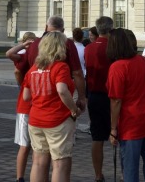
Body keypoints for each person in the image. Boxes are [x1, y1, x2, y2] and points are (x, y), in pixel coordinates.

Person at [106, 28, 145, 182]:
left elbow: (116, 100)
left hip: (131, 124)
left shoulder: (117, 67)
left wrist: (113, 129)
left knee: (130, 168)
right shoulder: (144, 61)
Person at [24, 31, 79, 182]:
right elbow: (62, 89)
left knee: (38, 162)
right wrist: (73, 109)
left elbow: (26, 96)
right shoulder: (60, 67)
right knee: (60, 163)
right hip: (57, 120)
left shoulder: (34, 68)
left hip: (36, 120)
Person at [20, 16, 87, 115]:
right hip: (58, 104)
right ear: (63, 30)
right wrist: (81, 98)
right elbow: (76, 74)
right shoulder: (66, 45)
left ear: (46, 27)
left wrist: (25, 85)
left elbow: (20, 71)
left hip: (37, 100)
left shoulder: (34, 44)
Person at [83, 16, 114, 182]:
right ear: (110, 29)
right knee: (118, 134)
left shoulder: (89, 48)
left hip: (94, 95)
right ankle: (124, 173)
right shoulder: (113, 48)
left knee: (97, 137)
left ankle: (98, 174)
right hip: (111, 96)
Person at [8, 31, 39, 182]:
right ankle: (20, 177)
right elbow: (9, 54)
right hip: (26, 105)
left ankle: (35, 174)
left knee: (35, 147)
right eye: (29, 42)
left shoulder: (39, 59)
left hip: (36, 106)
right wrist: (24, 45)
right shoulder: (25, 56)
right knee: (25, 145)